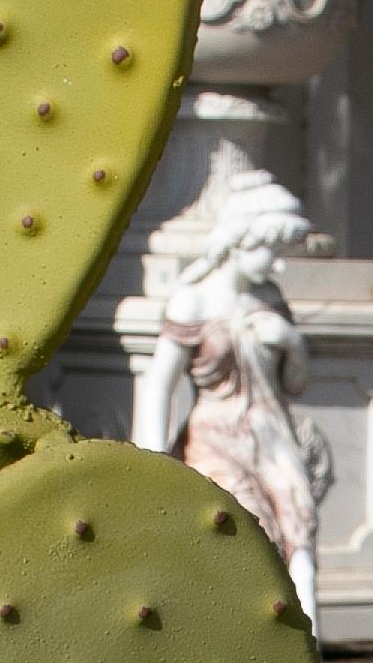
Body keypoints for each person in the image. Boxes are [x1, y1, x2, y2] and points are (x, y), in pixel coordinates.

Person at [134, 171, 331, 623]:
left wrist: (292, 344)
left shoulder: (269, 300)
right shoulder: (193, 303)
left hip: (272, 434)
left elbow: (295, 385)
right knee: (247, 532)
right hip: (215, 438)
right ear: (240, 241)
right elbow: (159, 382)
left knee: (300, 531)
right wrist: (150, 460)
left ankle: (309, 651)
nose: (279, 266)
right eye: (272, 252)